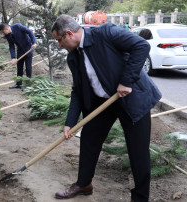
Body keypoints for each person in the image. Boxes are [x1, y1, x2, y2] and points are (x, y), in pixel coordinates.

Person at [51, 15, 161, 201]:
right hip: (103, 102)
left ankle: (140, 197)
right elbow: (77, 91)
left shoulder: (106, 33)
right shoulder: (74, 57)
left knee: (137, 151)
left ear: (69, 34)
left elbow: (141, 46)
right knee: (89, 139)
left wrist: (126, 81)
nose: (59, 46)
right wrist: (70, 122)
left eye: (59, 41)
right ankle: (84, 183)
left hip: (132, 98)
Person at [0, 23, 37, 89]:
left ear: (7, 29)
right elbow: (11, 46)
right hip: (20, 50)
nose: (3, 33)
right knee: (19, 67)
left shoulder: (18, 26)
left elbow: (30, 32)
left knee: (28, 67)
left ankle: (28, 85)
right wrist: (13, 58)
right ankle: (18, 84)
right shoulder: (8, 35)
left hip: (29, 48)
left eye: (3, 32)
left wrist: (34, 42)